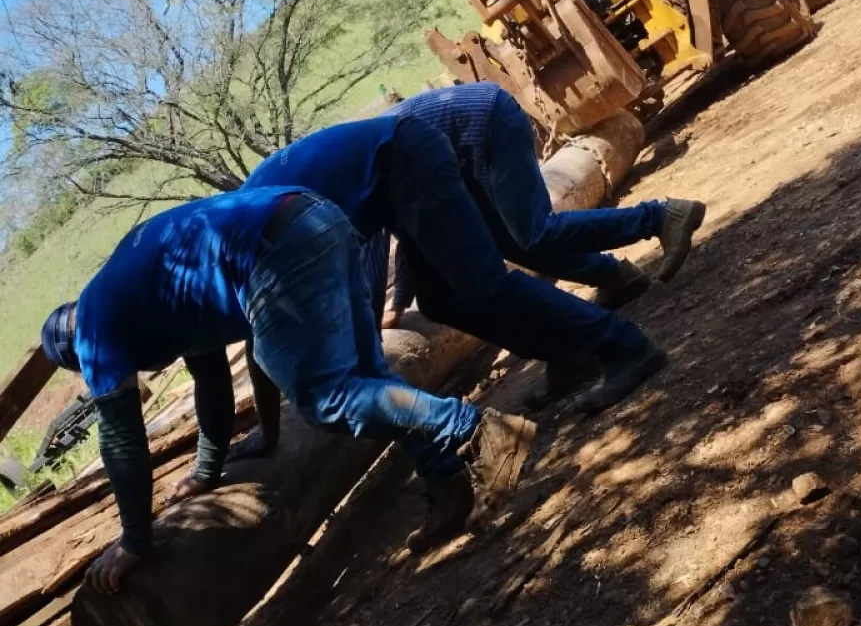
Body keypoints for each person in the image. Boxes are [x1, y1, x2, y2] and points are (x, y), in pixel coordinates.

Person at [40, 187, 540, 591]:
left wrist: (133, 541)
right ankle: (445, 479)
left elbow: (123, 442)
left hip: (275, 248)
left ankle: (477, 429)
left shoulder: (94, 328)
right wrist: (206, 470)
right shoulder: (143, 296)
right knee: (367, 373)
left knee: (327, 398)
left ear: (74, 350)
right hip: (315, 214)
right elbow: (209, 379)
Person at [240, 109, 670, 417]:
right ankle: (567, 356)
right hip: (396, 171)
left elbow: (362, 266)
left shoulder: (254, 232)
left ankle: (627, 346)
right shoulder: (237, 236)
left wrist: (364, 344)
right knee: (441, 301)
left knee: (484, 283)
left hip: (407, 156)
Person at [378, 81, 706, 330]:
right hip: (465, 145)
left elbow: (410, 235)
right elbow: (409, 231)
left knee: (534, 230)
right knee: (508, 240)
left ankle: (661, 216)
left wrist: (396, 304)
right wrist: (400, 301)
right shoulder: (351, 185)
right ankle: (615, 276)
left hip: (484, 123)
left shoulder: (354, 188)